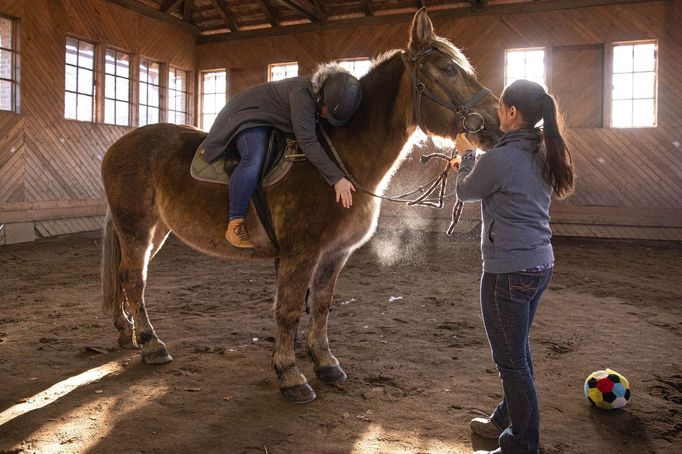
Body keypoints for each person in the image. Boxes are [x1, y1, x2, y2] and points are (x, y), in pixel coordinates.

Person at [450, 79, 574, 454]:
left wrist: (466, 155)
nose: (498, 113)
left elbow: (466, 191)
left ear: (512, 113)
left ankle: (522, 445)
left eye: (501, 107)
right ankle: (506, 417)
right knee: (517, 351)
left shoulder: (501, 158)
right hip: (540, 264)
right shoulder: (544, 148)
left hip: (508, 271)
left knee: (511, 362)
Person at [199, 64, 363, 249]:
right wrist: (336, 178)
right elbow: (308, 142)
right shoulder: (302, 96)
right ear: (321, 98)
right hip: (247, 115)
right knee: (254, 158)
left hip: (272, 118)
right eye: (327, 110)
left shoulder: (324, 93)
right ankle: (235, 223)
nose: (326, 115)